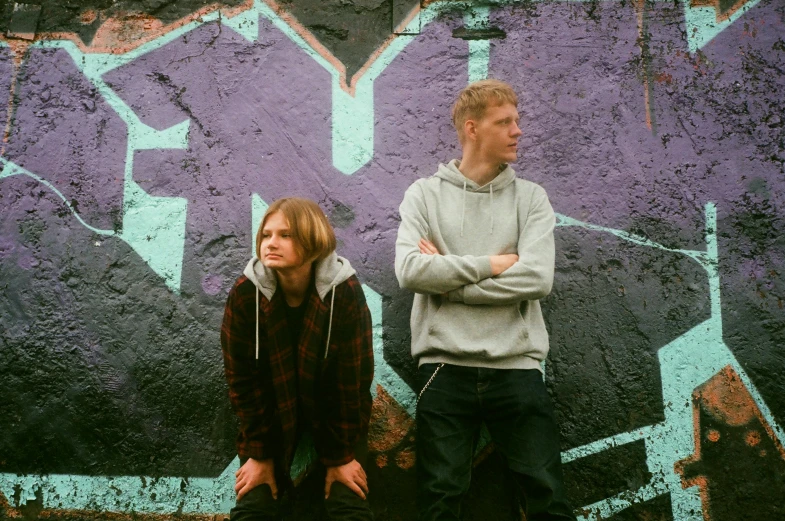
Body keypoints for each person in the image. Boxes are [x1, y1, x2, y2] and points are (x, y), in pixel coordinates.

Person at [395, 79, 576, 521]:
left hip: (516, 368)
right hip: (444, 369)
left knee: (547, 495)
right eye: (505, 122)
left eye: (517, 120)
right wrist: (492, 264)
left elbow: (536, 278)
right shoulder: (424, 195)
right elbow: (411, 271)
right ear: (472, 129)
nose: (518, 131)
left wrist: (450, 280)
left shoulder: (531, 199)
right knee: (439, 499)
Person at [221, 197, 375, 521]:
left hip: (333, 415)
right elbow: (242, 381)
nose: (271, 243)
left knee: (349, 505)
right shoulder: (245, 295)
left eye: (285, 235)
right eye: (266, 235)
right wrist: (259, 453)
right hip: (271, 415)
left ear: (313, 240)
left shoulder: (344, 292)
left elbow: (353, 382)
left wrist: (340, 456)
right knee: (252, 508)